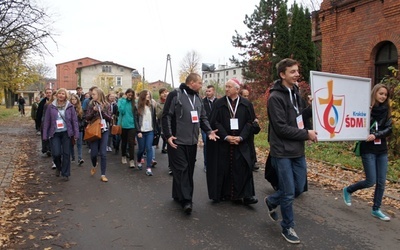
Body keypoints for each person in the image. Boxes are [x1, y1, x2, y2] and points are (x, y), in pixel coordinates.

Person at [265, 58, 318, 244]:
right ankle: (287, 226)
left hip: (297, 149)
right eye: (292, 72)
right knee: (288, 192)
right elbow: (281, 128)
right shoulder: (275, 98)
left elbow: (299, 116)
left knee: (298, 187)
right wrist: (306, 134)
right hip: (282, 151)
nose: (297, 74)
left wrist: (312, 109)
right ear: (282, 75)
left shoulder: (295, 92)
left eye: (297, 71)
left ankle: (272, 201)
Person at [162, 73, 219, 214]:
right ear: (191, 82)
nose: (201, 85)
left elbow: (203, 117)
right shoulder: (176, 94)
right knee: (182, 169)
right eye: (199, 83)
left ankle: (177, 194)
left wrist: (209, 131)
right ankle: (187, 200)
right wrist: (168, 135)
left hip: (192, 141)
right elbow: (166, 115)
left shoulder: (198, 98)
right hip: (177, 140)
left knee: (188, 170)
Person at [343, 83, 392, 221]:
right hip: (368, 149)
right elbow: (355, 123)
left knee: (381, 182)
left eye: (385, 95)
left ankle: (376, 209)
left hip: (381, 149)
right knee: (371, 180)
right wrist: (367, 113)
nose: (383, 97)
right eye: (380, 93)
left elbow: (389, 129)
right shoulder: (365, 108)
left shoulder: (386, 110)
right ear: (374, 93)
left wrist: (376, 135)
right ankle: (348, 190)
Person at [206, 79, 259, 205]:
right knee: (225, 168)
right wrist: (226, 136)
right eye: (226, 86)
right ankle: (225, 193)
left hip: (242, 141)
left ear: (237, 89)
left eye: (229, 87)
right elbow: (215, 122)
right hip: (224, 143)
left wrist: (241, 137)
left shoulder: (246, 104)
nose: (226, 89)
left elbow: (250, 122)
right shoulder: (219, 103)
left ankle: (247, 195)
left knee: (243, 167)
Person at [42, 88, 79, 181]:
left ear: (66, 96)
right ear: (57, 95)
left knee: (66, 153)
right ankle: (58, 167)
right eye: (59, 93)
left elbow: (74, 121)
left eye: (63, 94)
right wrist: (45, 135)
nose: (61, 95)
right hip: (55, 133)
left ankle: (66, 173)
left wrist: (76, 134)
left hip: (66, 133)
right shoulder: (51, 106)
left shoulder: (70, 106)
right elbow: (46, 121)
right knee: (56, 153)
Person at [86, 87, 112, 182]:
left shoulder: (107, 105)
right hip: (94, 130)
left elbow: (110, 118)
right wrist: (94, 111)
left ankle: (103, 174)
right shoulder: (90, 104)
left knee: (103, 153)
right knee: (93, 154)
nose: (92, 96)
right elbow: (87, 117)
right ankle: (94, 164)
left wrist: (102, 111)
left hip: (104, 130)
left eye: (94, 94)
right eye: (92, 94)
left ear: (99, 95)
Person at [136, 90, 158, 176]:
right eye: (147, 94)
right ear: (143, 96)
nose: (148, 96)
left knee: (149, 148)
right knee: (141, 149)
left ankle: (148, 168)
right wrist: (138, 131)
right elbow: (136, 120)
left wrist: (155, 130)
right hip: (141, 131)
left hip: (150, 131)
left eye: (149, 94)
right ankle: (139, 161)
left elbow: (154, 119)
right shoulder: (137, 106)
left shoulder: (151, 106)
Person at [239, 86, 260, 171]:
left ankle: (253, 162)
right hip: (242, 128)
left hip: (249, 128)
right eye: (245, 96)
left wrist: (255, 120)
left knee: (251, 145)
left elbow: (253, 115)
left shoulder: (249, 104)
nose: (246, 98)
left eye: (247, 96)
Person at [118, 88, 138, 168]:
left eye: (131, 94)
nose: (130, 96)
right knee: (124, 142)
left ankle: (132, 160)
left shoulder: (134, 102)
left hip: (132, 125)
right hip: (123, 125)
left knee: (131, 143)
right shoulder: (121, 101)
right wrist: (124, 100)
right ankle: (123, 156)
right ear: (126, 94)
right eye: (128, 94)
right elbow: (121, 111)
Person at [201, 85, 217, 173]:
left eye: (209, 91)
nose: (208, 93)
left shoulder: (218, 102)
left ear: (213, 91)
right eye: (206, 91)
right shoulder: (202, 102)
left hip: (216, 127)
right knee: (206, 144)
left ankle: (214, 164)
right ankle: (206, 164)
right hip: (205, 128)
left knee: (215, 146)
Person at [36, 88, 53, 157]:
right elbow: (39, 113)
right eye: (47, 93)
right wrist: (38, 124)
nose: (49, 94)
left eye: (50, 92)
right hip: (44, 121)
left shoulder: (55, 101)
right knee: (45, 135)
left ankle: (51, 149)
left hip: (52, 121)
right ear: (45, 94)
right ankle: (46, 149)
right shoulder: (42, 102)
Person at [70, 94, 85, 165]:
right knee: (71, 144)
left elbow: (83, 118)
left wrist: (81, 125)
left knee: (79, 144)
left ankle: (80, 158)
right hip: (71, 129)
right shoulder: (68, 108)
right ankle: (72, 157)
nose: (73, 101)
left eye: (75, 99)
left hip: (79, 128)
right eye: (72, 99)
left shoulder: (80, 108)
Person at [156, 88, 169, 154]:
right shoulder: (158, 103)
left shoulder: (170, 101)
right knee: (163, 136)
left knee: (167, 136)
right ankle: (157, 144)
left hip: (169, 122)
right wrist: (165, 106)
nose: (164, 94)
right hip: (161, 122)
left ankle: (164, 148)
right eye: (163, 93)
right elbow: (158, 115)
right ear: (160, 94)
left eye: (166, 92)